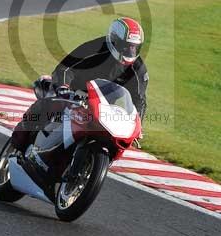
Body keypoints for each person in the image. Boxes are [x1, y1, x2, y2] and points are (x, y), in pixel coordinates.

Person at [10, 17, 149, 150]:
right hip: (73, 92)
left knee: (113, 139)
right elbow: (65, 67)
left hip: (103, 107)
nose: (131, 51)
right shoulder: (95, 48)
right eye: (127, 46)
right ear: (114, 41)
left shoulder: (138, 70)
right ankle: (18, 138)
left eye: (135, 48)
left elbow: (139, 100)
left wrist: (137, 126)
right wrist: (64, 88)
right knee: (49, 103)